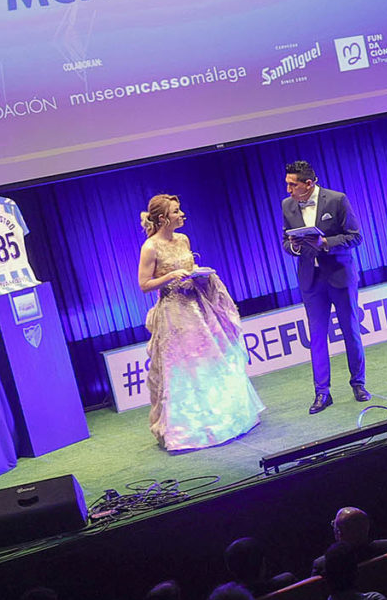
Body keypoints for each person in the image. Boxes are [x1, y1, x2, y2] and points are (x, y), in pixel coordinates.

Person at [136, 193, 261, 451]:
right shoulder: (150, 247)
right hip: (175, 314)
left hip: (198, 307)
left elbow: (191, 268)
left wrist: (199, 277)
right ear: (163, 218)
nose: (182, 214)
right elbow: (144, 284)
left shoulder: (183, 239)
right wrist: (171, 276)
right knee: (186, 367)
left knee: (211, 360)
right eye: (176, 211)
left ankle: (225, 417)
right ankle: (191, 428)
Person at [280, 158, 367, 414]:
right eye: (287, 184)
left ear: (308, 184)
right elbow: (285, 241)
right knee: (317, 338)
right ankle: (322, 393)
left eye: (293, 185)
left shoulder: (337, 199)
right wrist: (294, 246)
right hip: (311, 279)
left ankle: (358, 384)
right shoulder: (287, 205)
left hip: (340, 275)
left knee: (350, 331)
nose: (288, 190)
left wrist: (326, 243)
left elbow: (355, 237)